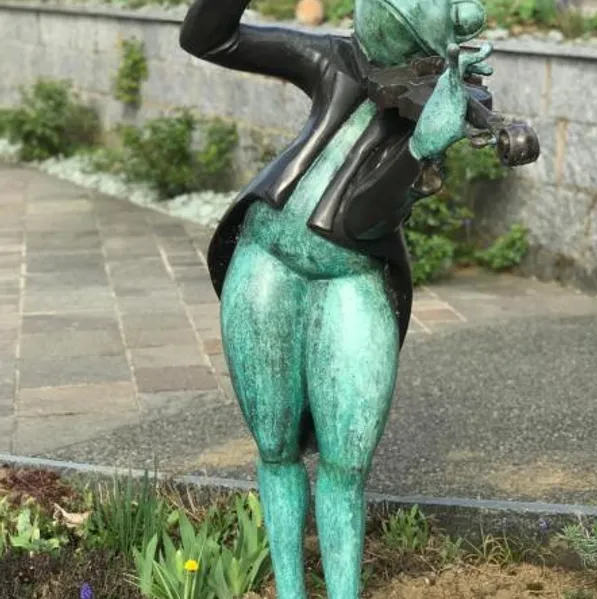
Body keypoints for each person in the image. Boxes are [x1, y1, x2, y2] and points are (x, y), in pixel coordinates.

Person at [179, 1, 492, 597]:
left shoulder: (436, 97)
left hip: (352, 276)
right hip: (265, 260)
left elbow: (366, 218)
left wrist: (421, 150)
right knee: (274, 449)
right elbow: (209, 39)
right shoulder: (334, 58)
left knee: (347, 462)